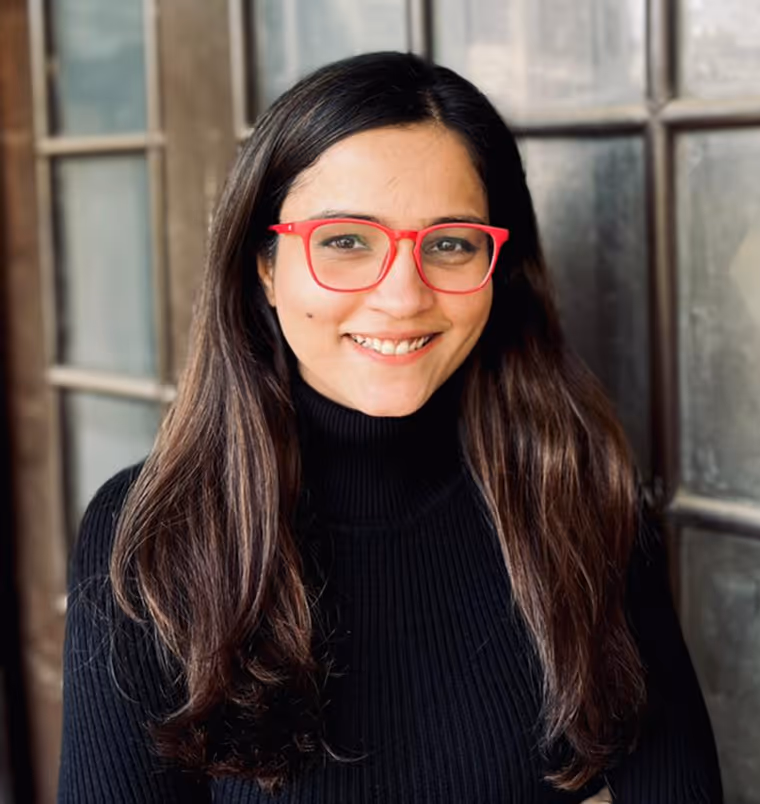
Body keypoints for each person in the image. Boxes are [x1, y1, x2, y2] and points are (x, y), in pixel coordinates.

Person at [57, 51, 722, 803]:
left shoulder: (576, 496)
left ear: (497, 268)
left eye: (449, 244)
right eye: (345, 241)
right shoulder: (152, 538)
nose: (403, 297)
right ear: (265, 267)